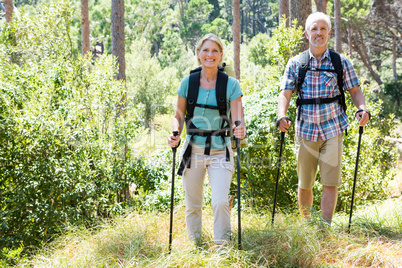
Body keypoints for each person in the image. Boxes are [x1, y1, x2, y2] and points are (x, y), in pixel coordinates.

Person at [276, 12, 370, 225]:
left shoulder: (341, 62)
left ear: (329, 32)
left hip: (333, 129)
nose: (318, 33)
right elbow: (285, 93)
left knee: (330, 182)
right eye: (314, 29)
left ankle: (325, 229)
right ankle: (307, 226)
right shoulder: (296, 63)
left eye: (322, 29)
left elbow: (355, 91)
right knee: (305, 182)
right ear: (307, 33)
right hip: (305, 130)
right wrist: (282, 115)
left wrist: (362, 109)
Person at [168, 33, 246, 247]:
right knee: (193, 204)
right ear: (198, 54)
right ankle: (196, 246)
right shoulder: (188, 82)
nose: (209, 55)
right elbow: (178, 116)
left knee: (220, 201)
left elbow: (238, 118)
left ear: (221, 55)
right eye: (205, 50)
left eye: (214, 51)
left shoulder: (230, 84)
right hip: (192, 150)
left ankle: (222, 249)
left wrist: (240, 129)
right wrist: (175, 132)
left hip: (221, 150)